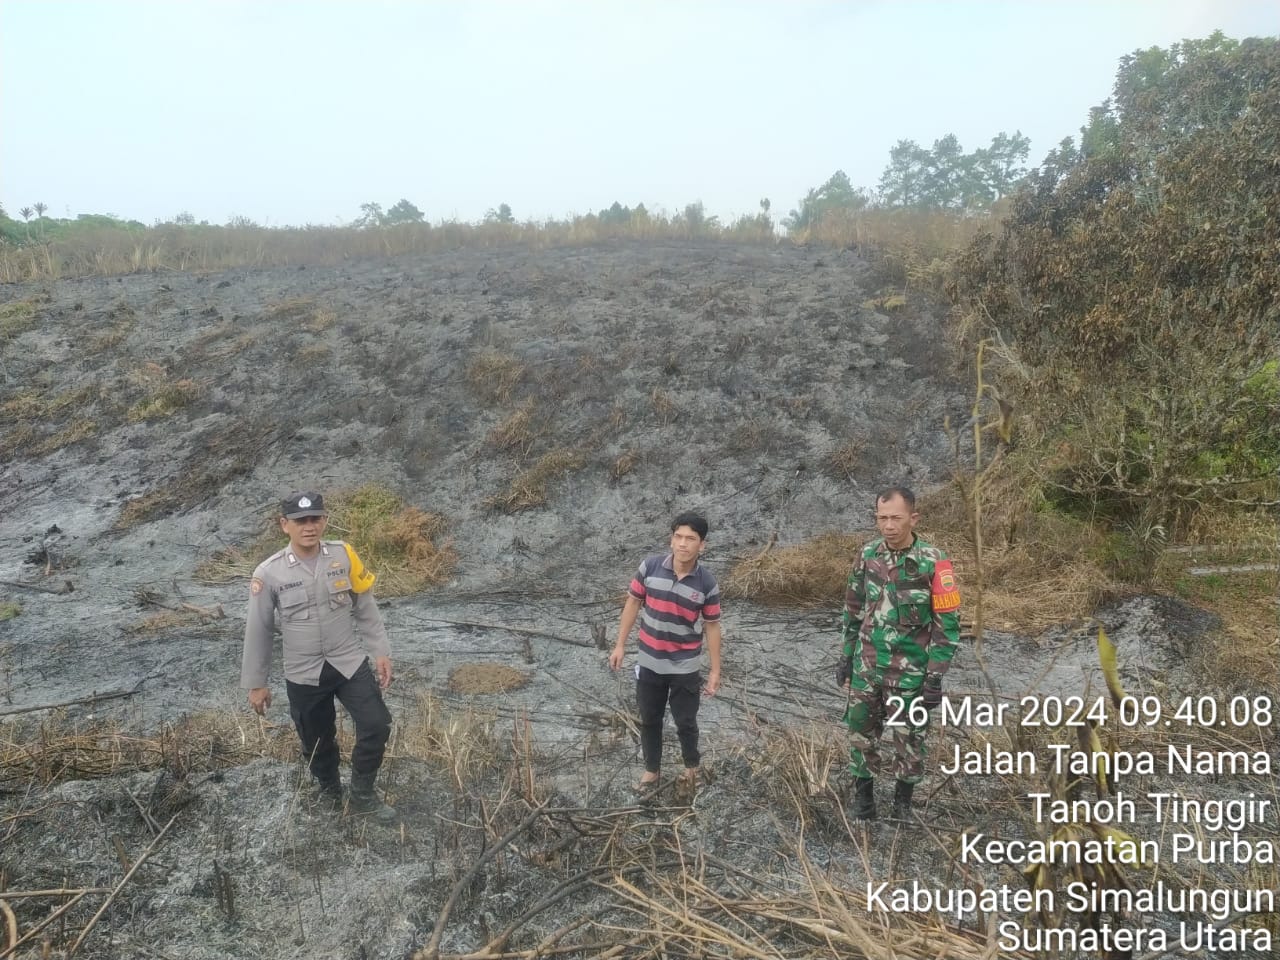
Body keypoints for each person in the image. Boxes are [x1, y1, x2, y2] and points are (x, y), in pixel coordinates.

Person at [241, 492, 397, 823]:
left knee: (377, 724)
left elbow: (365, 607)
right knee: (317, 742)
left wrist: (380, 651)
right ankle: (329, 791)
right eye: (300, 521)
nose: (309, 527)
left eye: (315, 519)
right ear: (285, 526)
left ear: (324, 520)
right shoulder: (268, 573)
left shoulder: (344, 555)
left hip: (348, 662)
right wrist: (257, 683)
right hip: (303, 672)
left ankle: (363, 795)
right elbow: (259, 630)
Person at [838, 486, 961, 822]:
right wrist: (846, 655)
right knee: (860, 733)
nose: (888, 525)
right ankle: (864, 806)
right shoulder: (867, 555)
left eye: (895, 518)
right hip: (868, 666)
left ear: (913, 518)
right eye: (882, 518)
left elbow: (947, 624)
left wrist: (935, 675)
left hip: (910, 672)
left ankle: (902, 808)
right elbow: (852, 607)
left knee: (909, 741)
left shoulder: (934, 562)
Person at [609, 512, 723, 794]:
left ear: (702, 545)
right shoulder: (650, 568)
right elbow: (633, 604)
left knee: (686, 721)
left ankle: (691, 768)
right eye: (678, 537)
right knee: (649, 718)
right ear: (671, 539)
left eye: (690, 539)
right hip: (648, 660)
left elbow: (712, 626)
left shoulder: (707, 584)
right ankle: (651, 771)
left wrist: (715, 670)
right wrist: (620, 645)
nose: (683, 544)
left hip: (684, 665)